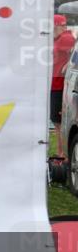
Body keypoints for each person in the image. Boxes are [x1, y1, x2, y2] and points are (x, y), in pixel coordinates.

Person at [52, 14, 75, 158]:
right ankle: (61, 153)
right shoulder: (59, 38)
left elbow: (75, 48)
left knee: (59, 122)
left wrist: (70, 63)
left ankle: (62, 154)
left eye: (54, 27)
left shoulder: (65, 37)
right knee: (57, 122)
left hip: (60, 84)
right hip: (56, 83)